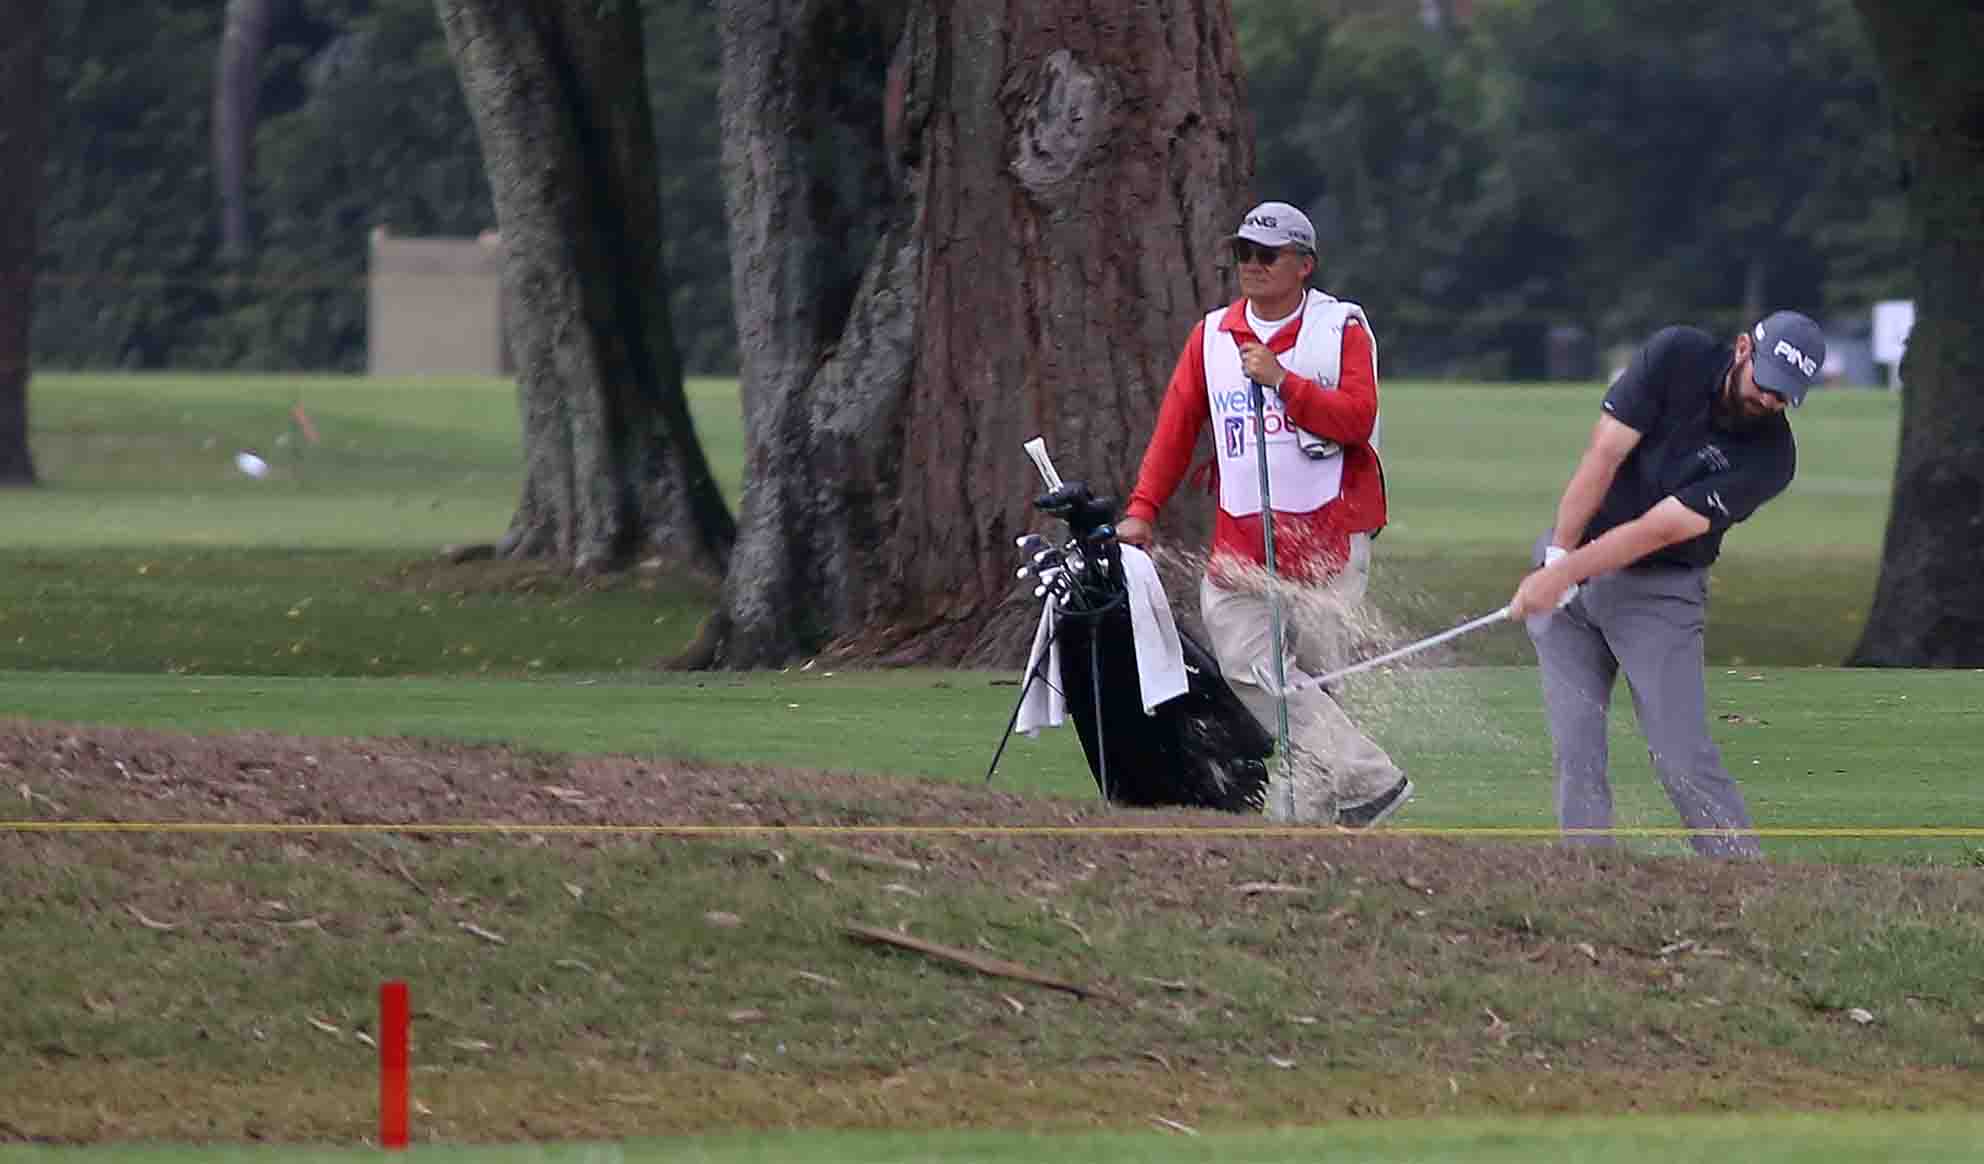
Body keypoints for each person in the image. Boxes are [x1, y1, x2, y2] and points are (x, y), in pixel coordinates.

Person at [1115, 201, 1410, 827]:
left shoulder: (1340, 330)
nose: (1251, 265)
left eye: (1267, 255)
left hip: (1327, 539)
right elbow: (1175, 431)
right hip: (1240, 547)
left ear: (1304, 265)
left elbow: (1357, 419)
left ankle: (1298, 822)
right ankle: (1369, 777)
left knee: (1315, 685)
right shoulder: (1212, 335)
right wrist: (1142, 509)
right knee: (1252, 669)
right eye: (1243, 253)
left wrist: (1283, 382)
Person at [1507, 311, 1828, 858]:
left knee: (1681, 758)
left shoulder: (1772, 459)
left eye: (1785, 396)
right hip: (1572, 556)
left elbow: (1660, 529)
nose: (1770, 402)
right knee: (1576, 750)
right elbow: (1604, 452)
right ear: (1744, 348)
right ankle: (1583, 879)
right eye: (1765, 385)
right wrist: (1558, 555)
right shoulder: (1676, 355)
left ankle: (1745, 881)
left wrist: (1565, 571)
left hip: (1659, 594)